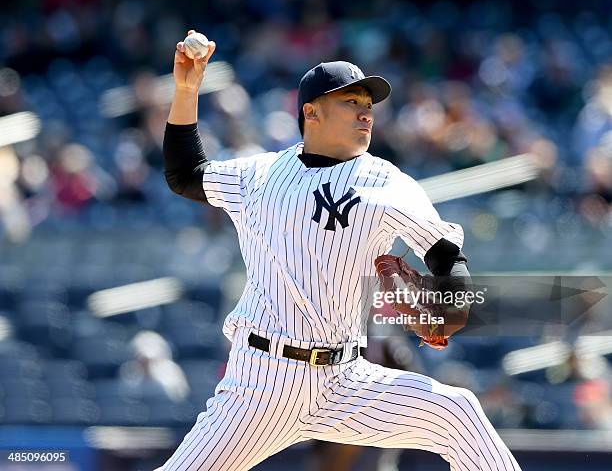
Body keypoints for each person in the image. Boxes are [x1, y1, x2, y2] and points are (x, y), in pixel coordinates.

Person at [156, 30, 522, 471]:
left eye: (368, 105)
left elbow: (445, 255)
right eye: (351, 102)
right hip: (261, 381)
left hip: (344, 380)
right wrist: (186, 90)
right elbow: (185, 173)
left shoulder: (388, 183)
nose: (365, 113)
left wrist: (452, 307)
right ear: (311, 112)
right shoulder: (257, 174)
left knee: (457, 412)